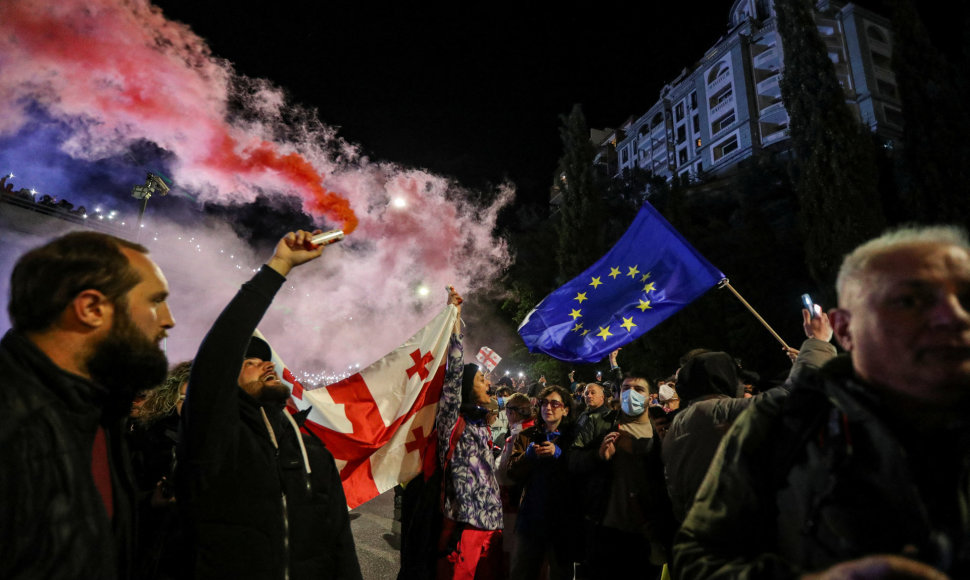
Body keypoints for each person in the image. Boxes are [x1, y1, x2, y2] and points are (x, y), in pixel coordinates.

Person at [674, 225, 970, 579]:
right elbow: (698, 557)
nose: (954, 317)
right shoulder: (790, 420)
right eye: (909, 300)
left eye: (964, 298)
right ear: (845, 328)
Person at [176, 230, 361, 580]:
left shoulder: (309, 447)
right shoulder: (214, 437)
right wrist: (279, 265)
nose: (268, 364)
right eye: (251, 362)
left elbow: (339, 539)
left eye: (268, 361)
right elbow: (219, 350)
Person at [0, 231, 175, 579]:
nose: (168, 320)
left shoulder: (99, 416)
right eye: (155, 301)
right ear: (91, 308)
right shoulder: (13, 425)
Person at [569, 369, 676, 580]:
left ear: (650, 396)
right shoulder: (600, 422)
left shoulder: (663, 428)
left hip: (646, 535)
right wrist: (598, 455)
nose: (631, 394)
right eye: (626, 388)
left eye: (638, 389)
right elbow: (572, 461)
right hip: (605, 530)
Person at [436, 287, 504, 579]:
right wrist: (455, 316)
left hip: (492, 528)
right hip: (466, 529)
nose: (488, 382)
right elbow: (453, 372)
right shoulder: (453, 420)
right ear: (465, 388)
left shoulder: (480, 424)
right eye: (480, 378)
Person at [507, 384, 578, 580]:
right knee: (521, 571)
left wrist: (560, 455)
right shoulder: (526, 436)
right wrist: (527, 457)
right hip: (531, 516)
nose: (548, 407)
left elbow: (580, 471)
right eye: (544, 403)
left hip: (562, 518)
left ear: (565, 409)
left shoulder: (575, 438)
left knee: (560, 572)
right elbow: (512, 472)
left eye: (555, 404)